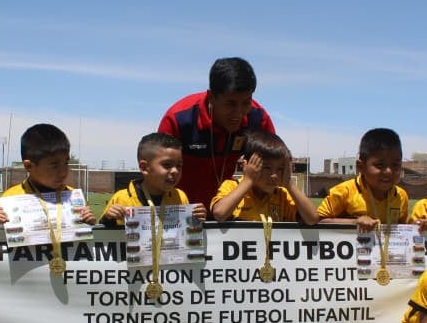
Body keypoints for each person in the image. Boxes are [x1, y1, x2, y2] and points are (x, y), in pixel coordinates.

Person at [158, 57, 276, 209]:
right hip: (183, 212)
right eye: (230, 104)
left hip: (227, 211)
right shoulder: (178, 120)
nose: (239, 113)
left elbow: (275, 166)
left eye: (246, 102)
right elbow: (158, 175)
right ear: (211, 97)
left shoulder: (258, 119)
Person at [0, 123, 96, 225]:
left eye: (66, 163)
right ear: (29, 166)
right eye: (54, 166)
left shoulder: (73, 198)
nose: (63, 172)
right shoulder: (9, 199)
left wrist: (89, 224)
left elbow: (87, 237)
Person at [210, 131, 319, 224]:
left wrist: (289, 184)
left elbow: (312, 219)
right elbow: (220, 213)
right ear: (246, 166)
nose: (274, 175)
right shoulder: (232, 186)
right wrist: (248, 181)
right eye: (266, 168)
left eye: (280, 169)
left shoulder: (283, 195)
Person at [100, 133, 207, 227]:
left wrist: (196, 217)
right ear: (144, 167)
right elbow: (103, 236)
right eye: (167, 165)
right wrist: (109, 218)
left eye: (179, 165)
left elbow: (186, 233)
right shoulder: (122, 198)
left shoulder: (180, 196)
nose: (175, 171)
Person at [317, 128, 408, 231]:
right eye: (380, 165)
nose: (388, 171)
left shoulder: (401, 196)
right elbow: (319, 221)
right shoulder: (344, 192)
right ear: (361, 166)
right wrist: (355, 222)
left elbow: (403, 229)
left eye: (395, 165)